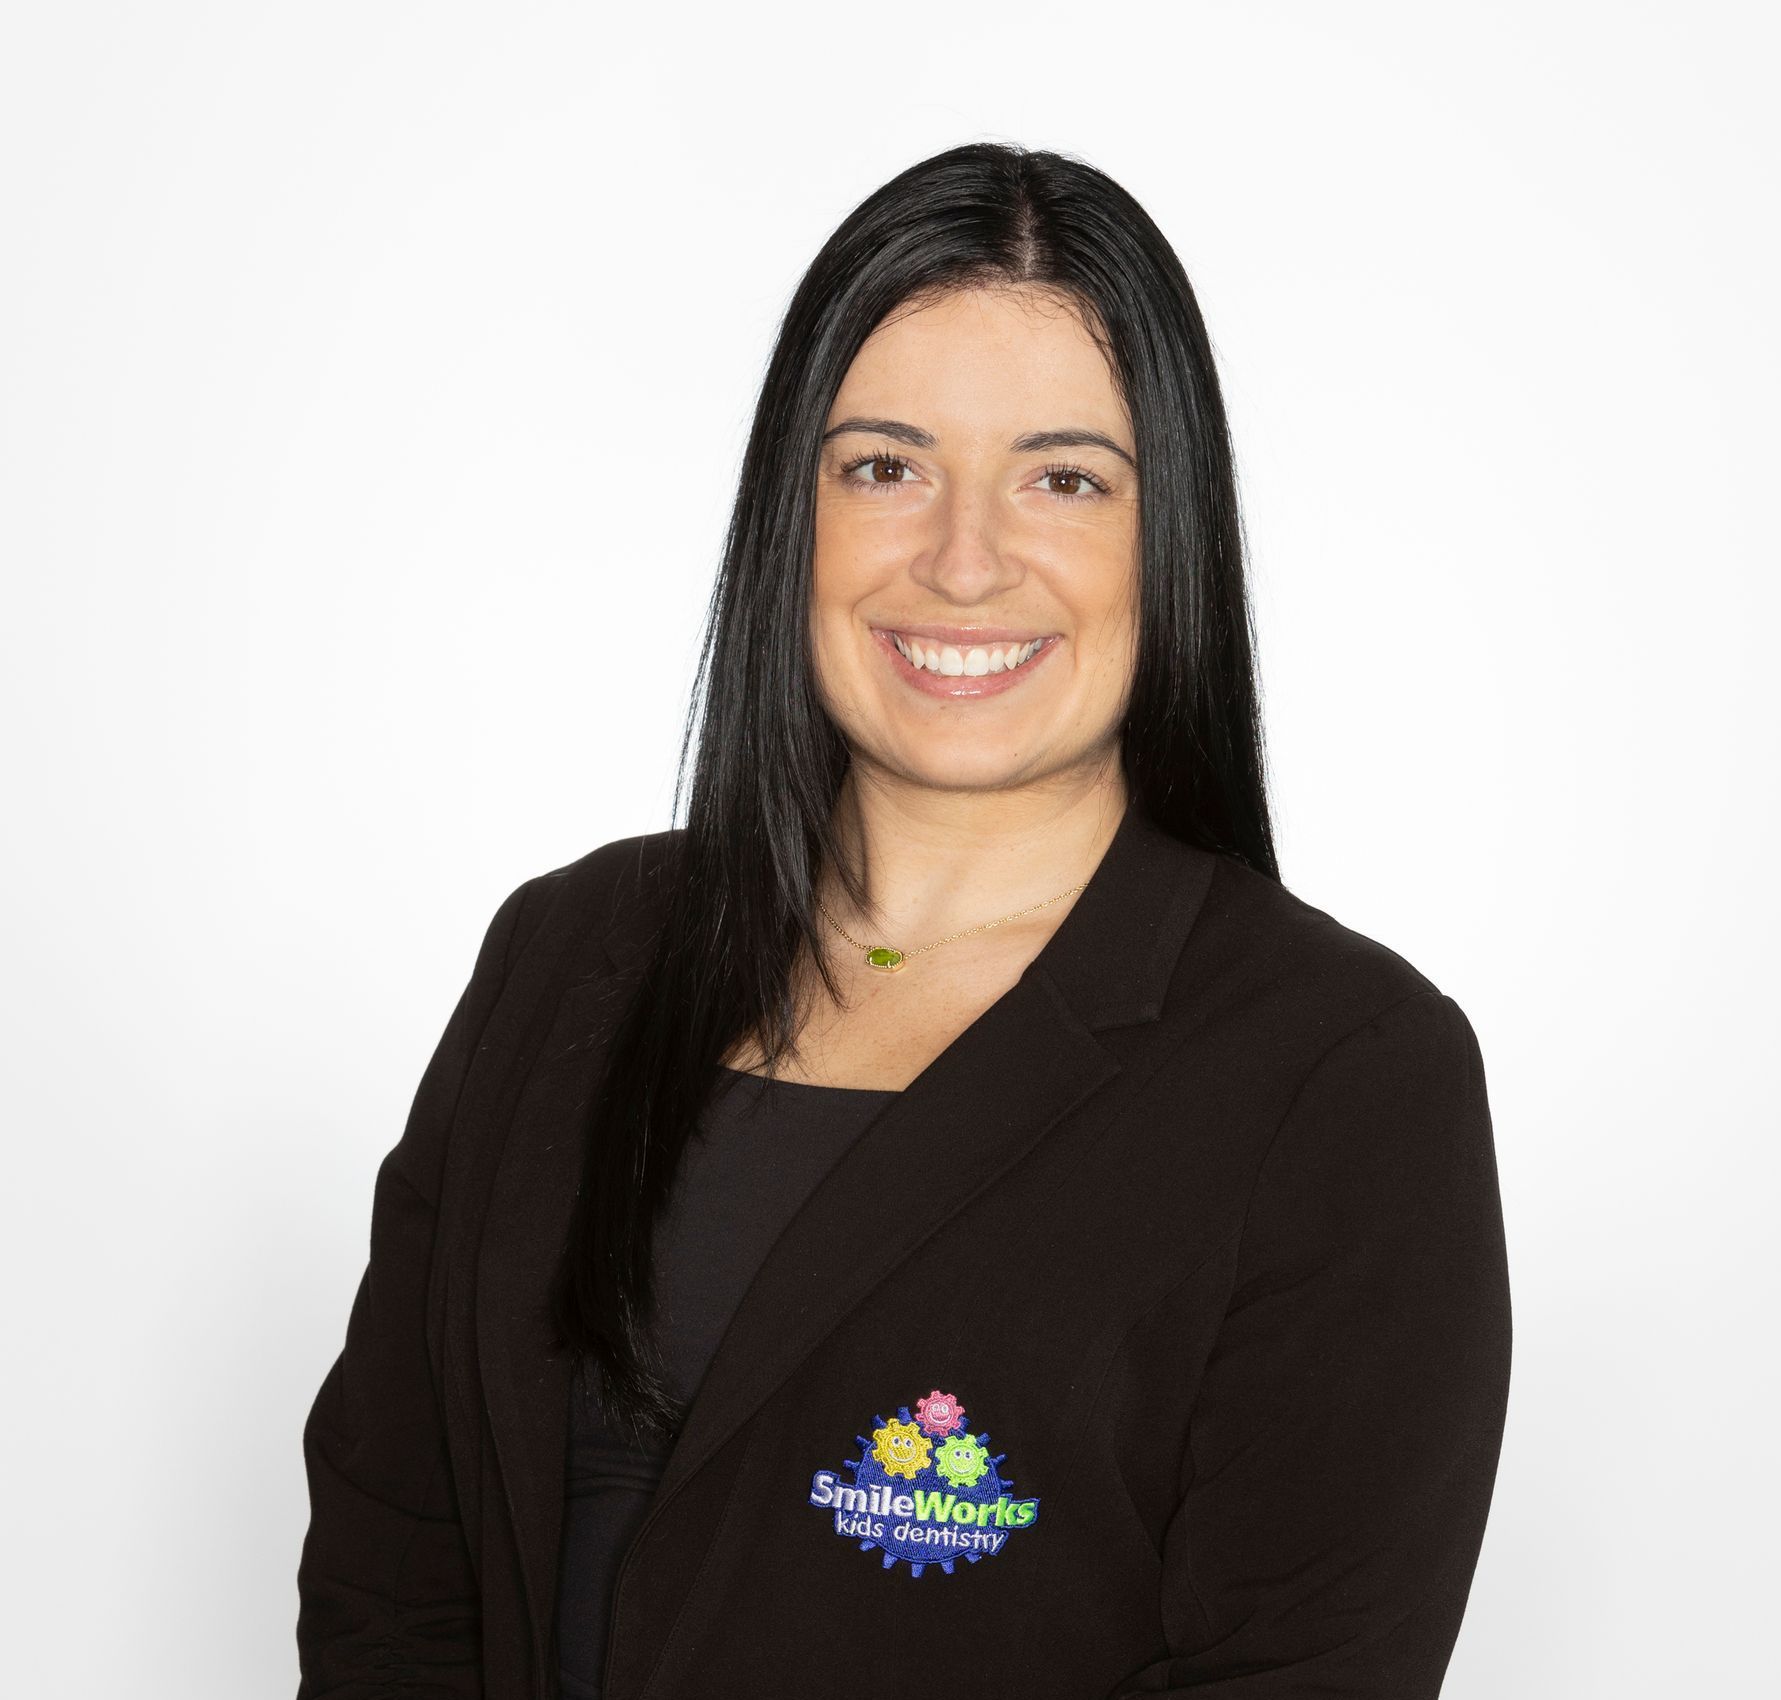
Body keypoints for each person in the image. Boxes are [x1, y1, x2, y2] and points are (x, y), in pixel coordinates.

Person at [296, 140, 1511, 1700]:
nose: (963, 557)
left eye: (1064, 477)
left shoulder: (1341, 1078)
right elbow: (396, 1567)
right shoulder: (566, 959)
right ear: (791, 511)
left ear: (1172, 538)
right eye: (885, 464)